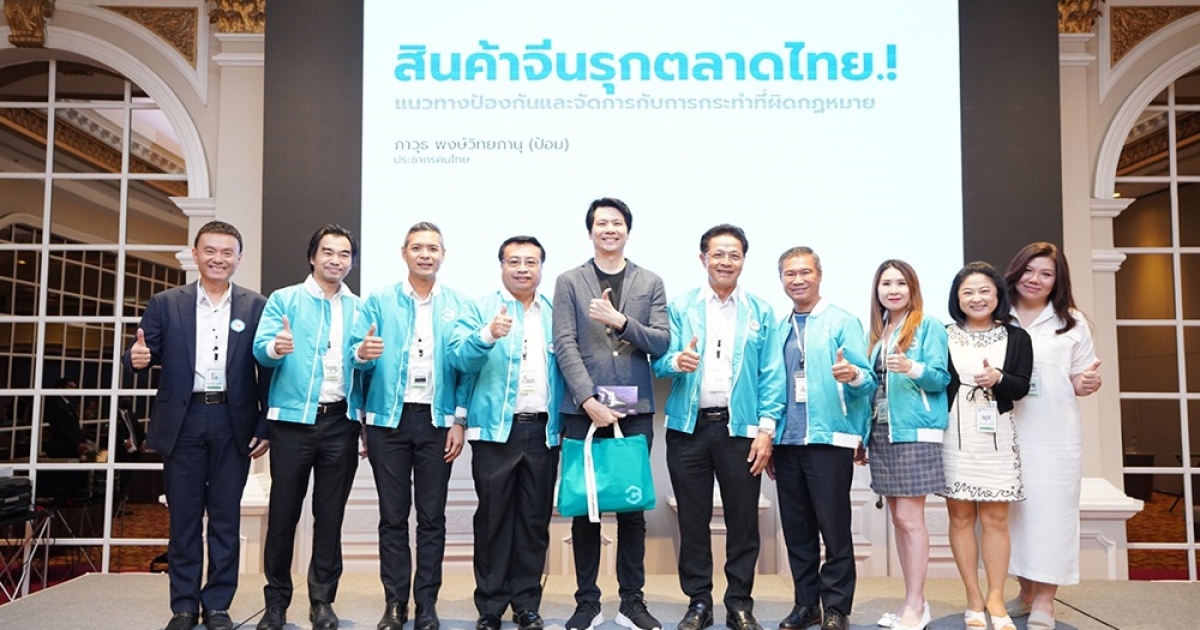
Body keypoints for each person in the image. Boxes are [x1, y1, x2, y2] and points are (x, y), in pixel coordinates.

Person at [123, 220, 270, 630]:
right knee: (184, 520)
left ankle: (218, 606)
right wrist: (135, 358)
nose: (218, 259)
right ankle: (184, 607)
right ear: (195, 254)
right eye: (210, 250)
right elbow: (140, 352)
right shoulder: (166, 303)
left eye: (227, 252)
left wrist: (265, 423)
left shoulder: (256, 306)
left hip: (233, 420)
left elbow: (267, 370)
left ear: (238, 258)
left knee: (225, 519)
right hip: (183, 421)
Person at [651, 225, 783, 630]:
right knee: (692, 520)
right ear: (703, 258)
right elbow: (658, 362)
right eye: (718, 254)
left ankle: (739, 603)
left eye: (734, 254)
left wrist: (766, 430)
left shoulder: (761, 311)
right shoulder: (680, 307)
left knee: (743, 521)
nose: (726, 261)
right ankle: (698, 602)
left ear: (743, 260)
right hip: (688, 429)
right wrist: (677, 362)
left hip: (740, 431)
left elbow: (772, 375)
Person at [552, 198, 669, 630]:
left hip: (633, 407)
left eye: (616, 223)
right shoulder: (569, 281)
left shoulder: (650, 281)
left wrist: (620, 321)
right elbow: (564, 343)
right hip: (582, 409)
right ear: (590, 232)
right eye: (601, 223)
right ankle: (587, 602)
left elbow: (660, 341)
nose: (609, 229)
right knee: (586, 508)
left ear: (627, 230)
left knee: (631, 508)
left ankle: (631, 602)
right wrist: (587, 399)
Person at [349, 222, 473, 630]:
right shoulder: (379, 301)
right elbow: (356, 359)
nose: (425, 254)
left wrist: (459, 420)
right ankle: (395, 604)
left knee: (432, 518)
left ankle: (427, 605)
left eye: (433, 248)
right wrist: (362, 358)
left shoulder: (459, 304)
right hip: (388, 422)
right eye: (417, 247)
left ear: (443, 255)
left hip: (437, 422)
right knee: (393, 517)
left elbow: (467, 369)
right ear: (403, 252)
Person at [251, 225, 364, 630]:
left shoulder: (359, 307)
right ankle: (276, 603)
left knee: (330, 517)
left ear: (351, 262)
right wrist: (275, 348)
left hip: (341, 422)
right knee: (283, 516)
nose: (336, 260)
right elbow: (260, 351)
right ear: (313, 256)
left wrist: (365, 358)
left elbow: (363, 363)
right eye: (328, 252)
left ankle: (322, 602)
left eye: (344, 254)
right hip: (292, 424)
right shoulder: (285, 299)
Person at [449, 236, 562, 630]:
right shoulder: (479, 308)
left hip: (543, 430)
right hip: (495, 432)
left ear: (541, 268)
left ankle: (527, 603)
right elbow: (458, 358)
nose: (522, 268)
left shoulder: (555, 312)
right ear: (501, 266)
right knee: (493, 519)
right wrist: (487, 334)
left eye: (531, 261)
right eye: (514, 261)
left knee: (534, 521)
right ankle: (491, 605)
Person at [770, 247, 875, 630]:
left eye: (805, 272)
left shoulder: (842, 321)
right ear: (781, 279)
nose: (798, 280)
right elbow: (770, 384)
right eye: (790, 273)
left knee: (834, 529)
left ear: (819, 275)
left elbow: (868, 381)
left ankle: (836, 607)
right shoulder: (778, 328)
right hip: (786, 442)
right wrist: (769, 437)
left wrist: (853, 375)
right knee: (797, 530)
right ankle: (805, 604)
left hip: (829, 441)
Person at [1002, 243, 1101, 630]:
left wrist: (1086, 383)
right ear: (1016, 272)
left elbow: (1078, 377)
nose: (1035, 279)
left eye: (1046, 274)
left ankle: (1046, 600)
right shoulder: (997, 314)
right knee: (1012, 517)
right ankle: (1026, 591)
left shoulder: (1072, 322)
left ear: (1058, 281)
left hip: (1054, 436)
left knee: (1051, 517)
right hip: (1003, 433)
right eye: (1028, 270)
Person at [940, 262, 1032, 630]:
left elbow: (1021, 386)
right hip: (954, 433)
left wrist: (999, 377)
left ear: (998, 296)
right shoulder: (942, 334)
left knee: (996, 519)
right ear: (957, 298)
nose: (976, 298)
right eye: (968, 292)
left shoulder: (1017, 337)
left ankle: (996, 596)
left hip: (997, 434)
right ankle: (973, 597)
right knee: (960, 518)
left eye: (984, 291)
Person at [862, 260, 949, 630]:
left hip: (915, 433)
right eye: (886, 284)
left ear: (913, 288)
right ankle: (911, 602)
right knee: (899, 520)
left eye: (900, 283)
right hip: (883, 433)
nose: (893, 290)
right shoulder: (879, 331)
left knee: (910, 520)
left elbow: (941, 378)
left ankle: (916, 604)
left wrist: (912, 368)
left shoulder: (928, 325)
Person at [43, 377, 88, 460]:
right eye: (71, 387)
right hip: (62, 449)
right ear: (61, 388)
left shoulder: (67, 404)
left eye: (75, 388)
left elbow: (74, 426)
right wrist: (76, 444)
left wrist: (82, 441)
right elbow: (60, 428)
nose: (74, 390)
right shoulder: (55, 404)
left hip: (71, 448)